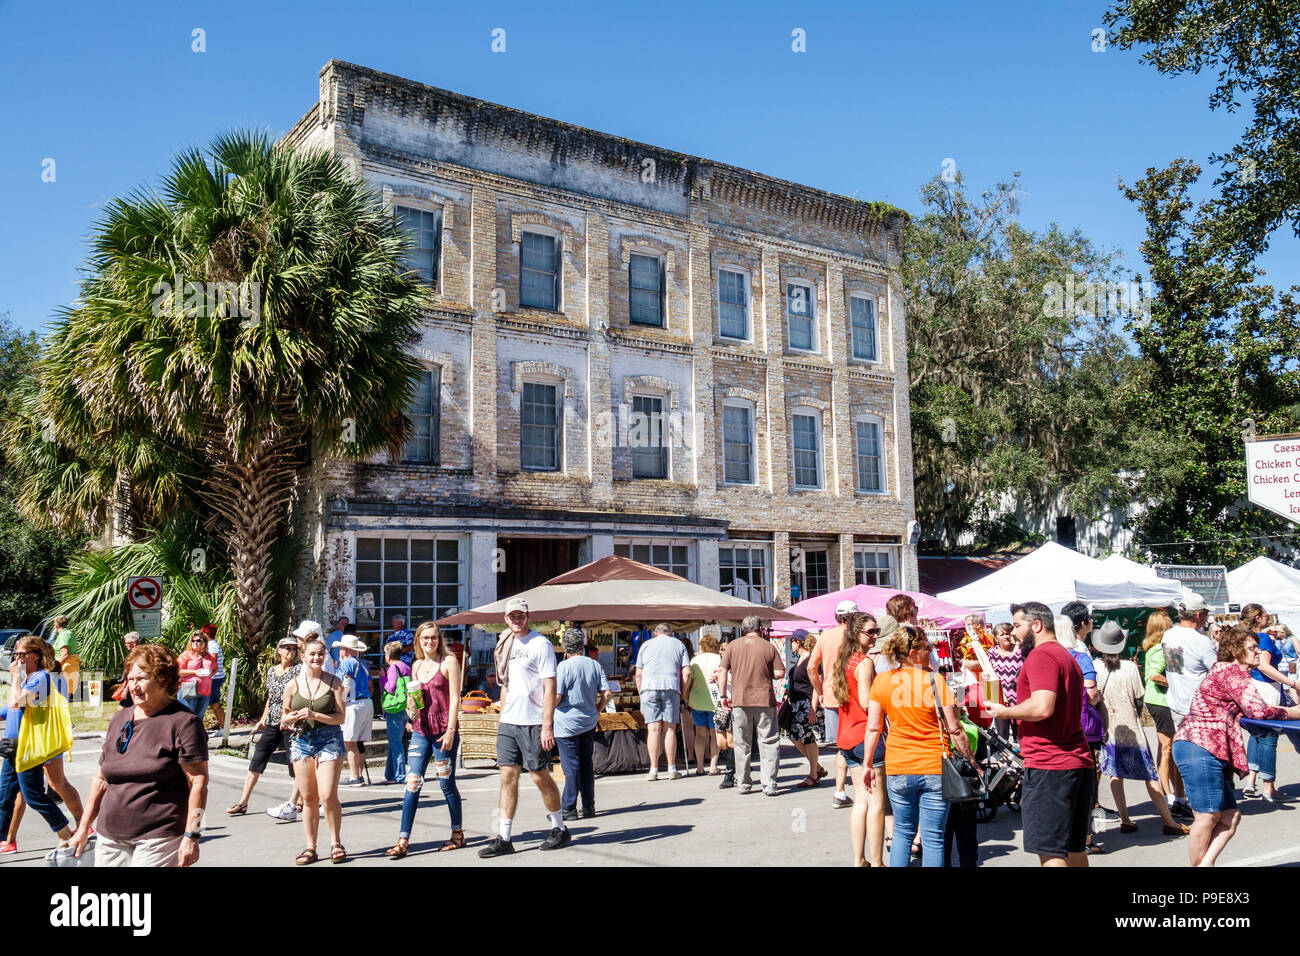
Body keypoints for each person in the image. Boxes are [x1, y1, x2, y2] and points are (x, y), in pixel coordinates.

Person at [68, 644, 208, 867]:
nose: (134, 686)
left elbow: (198, 782)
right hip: (109, 835)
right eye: (130, 679)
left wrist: (192, 835)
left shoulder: (184, 722)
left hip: (159, 837)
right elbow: (101, 779)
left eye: (142, 679)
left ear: (163, 679)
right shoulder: (120, 719)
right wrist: (84, 828)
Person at [1172, 625, 1300, 866]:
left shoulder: (1230, 671)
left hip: (1207, 749)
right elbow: (1259, 711)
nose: (1258, 652)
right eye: (1252, 648)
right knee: (1207, 817)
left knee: (1230, 817)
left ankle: (1205, 863)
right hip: (1200, 746)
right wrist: (1293, 713)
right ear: (1235, 650)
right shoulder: (1231, 672)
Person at [985, 602, 1094, 868]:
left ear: (1037, 625)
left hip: (1050, 766)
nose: (1013, 633)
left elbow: (1043, 706)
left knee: (1052, 853)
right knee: (1073, 849)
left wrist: (1005, 711)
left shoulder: (1042, 656)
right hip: (1075, 763)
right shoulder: (1067, 656)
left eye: (1018, 626)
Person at [862, 623, 976, 868]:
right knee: (934, 837)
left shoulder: (882, 681)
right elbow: (955, 728)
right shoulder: (934, 680)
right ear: (912, 653)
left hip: (899, 766)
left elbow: (873, 728)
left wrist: (867, 764)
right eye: (927, 647)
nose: (931, 651)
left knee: (902, 833)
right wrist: (971, 758)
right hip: (934, 765)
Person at [479, 599, 570, 857]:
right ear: (506, 619)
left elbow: (550, 686)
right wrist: (502, 715)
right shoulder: (506, 642)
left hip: (533, 721)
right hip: (509, 721)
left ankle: (560, 828)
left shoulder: (540, 644)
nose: (516, 620)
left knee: (539, 775)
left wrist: (547, 725)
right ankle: (504, 837)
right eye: (512, 616)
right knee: (507, 776)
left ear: (528, 617)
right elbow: (505, 683)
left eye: (520, 615)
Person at [1092, 621, 1188, 836]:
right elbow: (1138, 697)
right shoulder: (1130, 667)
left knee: (1115, 775)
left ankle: (1125, 818)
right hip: (1133, 727)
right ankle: (1168, 818)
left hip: (1109, 728)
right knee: (1149, 774)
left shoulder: (1096, 667)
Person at [387, 621, 464, 857]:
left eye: (433, 637)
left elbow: (455, 699)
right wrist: (411, 716)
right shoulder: (417, 665)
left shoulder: (449, 662)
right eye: (424, 638)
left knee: (446, 783)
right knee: (412, 783)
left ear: (439, 640)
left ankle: (457, 834)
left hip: (442, 731)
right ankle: (403, 840)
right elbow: (414, 698)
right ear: (418, 641)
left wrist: (451, 731)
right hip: (421, 730)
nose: (429, 642)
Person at [0, 638, 77, 854]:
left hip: (29, 746)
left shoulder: (41, 678)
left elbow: (19, 702)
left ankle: (66, 833)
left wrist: (15, 676)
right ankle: (5, 840)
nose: (18, 659)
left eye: (22, 654)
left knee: (34, 795)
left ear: (36, 654)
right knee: (5, 796)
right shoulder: (29, 678)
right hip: (13, 744)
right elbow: (12, 708)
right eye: (15, 654)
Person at [281, 636, 348, 864]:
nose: (317, 658)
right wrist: (289, 718)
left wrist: (314, 715)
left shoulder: (335, 683)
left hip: (329, 739)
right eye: (312, 654)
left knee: (327, 795)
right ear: (303, 657)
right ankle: (310, 847)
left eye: (321, 654)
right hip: (301, 741)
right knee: (308, 798)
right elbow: (284, 715)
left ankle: (335, 842)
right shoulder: (293, 685)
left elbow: (340, 717)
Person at [227, 636, 300, 817]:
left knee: (295, 764)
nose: (291, 651)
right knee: (258, 758)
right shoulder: (272, 671)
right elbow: (271, 697)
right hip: (273, 722)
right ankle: (243, 801)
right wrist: (262, 718)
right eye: (287, 648)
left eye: (294, 648)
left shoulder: (298, 670)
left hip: (290, 722)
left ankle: (297, 802)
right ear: (279, 650)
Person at [830, 612, 882, 866]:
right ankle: (879, 860)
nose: (875, 636)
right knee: (876, 803)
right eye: (870, 631)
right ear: (856, 633)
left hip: (847, 737)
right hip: (865, 736)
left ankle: (859, 859)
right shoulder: (864, 662)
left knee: (860, 800)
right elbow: (865, 701)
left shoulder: (845, 659)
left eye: (876, 631)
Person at [718, 616, 785, 796]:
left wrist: (723, 695)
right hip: (764, 699)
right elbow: (780, 673)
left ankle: (744, 783)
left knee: (741, 743)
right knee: (769, 741)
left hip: (740, 700)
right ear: (760, 628)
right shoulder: (768, 647)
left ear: (743, 628)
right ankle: (769, 784)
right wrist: (766, 672)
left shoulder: (732, 646)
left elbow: (722, 671)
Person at [1239, 603, 1300, 800]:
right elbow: (1264, 666)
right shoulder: (1263, 638)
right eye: (1265, 615)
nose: (1268, 618)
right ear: (1257, 618)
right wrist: (1292, 683)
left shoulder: (1246, 637)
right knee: (1269, 737)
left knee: (1257, 735)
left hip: (1256, 686)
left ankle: (1251, 781)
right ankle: (1268, 787)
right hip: (1266, 688)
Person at [1141, 610, 1191, 820]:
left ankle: (1175, 795)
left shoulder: (1155, 647)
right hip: (1164, 701)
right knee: (1170, 747)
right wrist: (1177, 683)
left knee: (1167, 747)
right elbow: (1155, 674)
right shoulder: (1164, 648)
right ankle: (1172, 796)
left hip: (1158, 701)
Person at [808, 600, 858, 809]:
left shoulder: (824, 636)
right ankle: (860, 790)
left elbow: (811, 668)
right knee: (859, 743)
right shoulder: (856, 636)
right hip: (855, 694)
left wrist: (820, 691)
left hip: (830, 695)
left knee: (842, 746)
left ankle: (840, 791)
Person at [554, 627, 604, 821]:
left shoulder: (563, 667)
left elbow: (557, 696)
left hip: (566, 723)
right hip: (588, 721)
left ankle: (568, 808)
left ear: (565, 647)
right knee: (585, 764)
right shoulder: (594, 665)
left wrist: (547, 709)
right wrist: (597, 709)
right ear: (582, 646)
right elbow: (607, 693)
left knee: (571, 766)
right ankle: (589, 806)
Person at [635, 623, 692, 780]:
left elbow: (638, 674)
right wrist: (684, 694)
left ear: (655, 634)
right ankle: (671, 768)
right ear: (671, 634)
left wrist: (641, 696)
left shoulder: (645, 645)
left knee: (653, 729)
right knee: (670, 729)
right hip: (671, 687)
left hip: (649, 688)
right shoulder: (679, 644)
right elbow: (687, 672)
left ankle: (653, 770)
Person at [1162, 594, 1217, 730]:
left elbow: (1175, 668)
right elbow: (1217, 672)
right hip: (1198, 707)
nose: (1207, 618)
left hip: (1177, 704)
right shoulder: (1201, 641)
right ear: (1199, 614)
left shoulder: (1169, 635)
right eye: (1206, 614)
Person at [785, 631, 823, 787]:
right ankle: (817, 768)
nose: (791, 645)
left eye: (792, 642)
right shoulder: (799, 660)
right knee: (793, 736)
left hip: (807, 704)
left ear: (798, 642)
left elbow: (816, 685)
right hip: (795, 704)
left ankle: (813, 774)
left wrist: (813, 708)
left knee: (808, 739)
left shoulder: (811, 660)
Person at [334, 634, 373, 786]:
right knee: (358, 741)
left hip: (353, 704)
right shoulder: (362, 664)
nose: (340, 651)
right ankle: (359, 773)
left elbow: (346, 686)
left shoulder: (346, 664)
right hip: (366, 703)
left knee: (349, 741)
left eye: (341, 648)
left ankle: (354, 776)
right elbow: (369, 684)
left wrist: (340, 703)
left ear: (346, 649)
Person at [686, 634, 722, 775]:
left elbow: (690, 680)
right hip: (715, 701)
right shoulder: (719, 659)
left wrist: (685, 696)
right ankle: (713, 766)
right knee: (714, 734)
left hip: (697, 701)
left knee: (699, 735)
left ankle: (700, 767)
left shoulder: (695, 660)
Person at [380, 641, 412, 784]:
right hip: (404, 707)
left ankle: (399, 775)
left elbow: (390, 687)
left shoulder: (393, 668)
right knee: (395, 742)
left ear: (388, 655)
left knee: (395, 742)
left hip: (395, 708)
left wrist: (382, 678)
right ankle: (390, 774)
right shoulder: (406, 666)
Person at [986, 622, 1022, 742]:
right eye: (1002, 634)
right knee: (1002, 734)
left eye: (1007, 633)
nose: (1006, 636)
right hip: (999, 697)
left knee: (1020, 733)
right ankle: (1005, 758)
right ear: (996, 638)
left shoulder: (1020, 650)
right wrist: (991, 700)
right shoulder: (991, 653)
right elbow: (988, 675)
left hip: (1018, 697)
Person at [176, 630, 216, 721]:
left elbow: (215, 669)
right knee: (188, 716)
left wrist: (208, 676)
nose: (195, 643)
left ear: (203, 642)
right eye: (193, 641)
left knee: (199, 717)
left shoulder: (208, 656)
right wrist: (194, 672)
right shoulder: (185, 655)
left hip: (205, 690)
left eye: (198, 641)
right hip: (189, 688)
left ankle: (197, 734)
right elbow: (178, 672)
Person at [203, 624, 227, 737]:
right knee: (215, 704)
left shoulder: (212, 646)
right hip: (216, 678)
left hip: (213, 678)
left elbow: (212, 662)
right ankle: (224, 727)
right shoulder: (213, 644)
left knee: (203, 704)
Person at [49, 616, 80, 699]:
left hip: (65, 666)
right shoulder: (68, 633)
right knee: (64, 695)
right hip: (69, 665)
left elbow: (64, 654)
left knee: (62, 695)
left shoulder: (64, 635)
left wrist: (54, 667)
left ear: (56, 624)